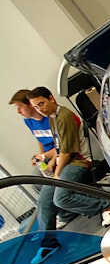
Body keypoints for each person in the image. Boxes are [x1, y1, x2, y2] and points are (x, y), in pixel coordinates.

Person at [26, 87, 110, 264]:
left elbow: (68, 153)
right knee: (44, 201)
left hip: (79, 162)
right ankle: (49, 243)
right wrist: (52, 165)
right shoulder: (53, 119)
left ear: (51, 98)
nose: (40, 109)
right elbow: (59, 149)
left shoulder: (65, 117)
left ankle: (106, 206)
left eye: (41, 104)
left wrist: (57, 174)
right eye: (36, 107)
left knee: (60, 199)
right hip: (66, 163)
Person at [8, 89, 77, 230]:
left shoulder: (52, 118)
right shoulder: (29, 122)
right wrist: (41, 157)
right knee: (35, 180)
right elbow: (39, 140)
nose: (19, 112)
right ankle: (66, 213)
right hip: (50, 157)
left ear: (29, 105)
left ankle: (49, 235)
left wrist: (48, 158)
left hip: (62, 156)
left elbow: (62, 145)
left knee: (45, 193)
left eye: (20, 107)